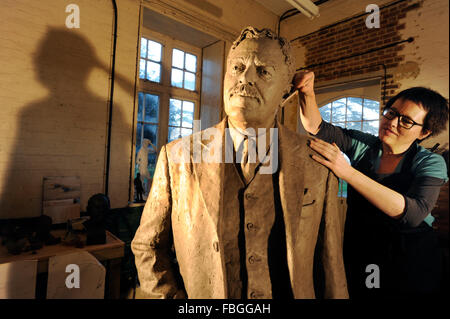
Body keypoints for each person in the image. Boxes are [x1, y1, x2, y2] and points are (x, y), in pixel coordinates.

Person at [131, 27, 348, 299]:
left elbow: (330, 261)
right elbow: (148, 246)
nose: (245, 78)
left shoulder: (317, 162)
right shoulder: (177, 157)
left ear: (285, 92)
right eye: (237, 67)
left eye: (263, 71)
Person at [294, 71, 449, 298]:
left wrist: (347, 172)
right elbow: (318, 128)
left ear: (424, 132)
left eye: (406, 121)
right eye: (391, 113)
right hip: (363, 246)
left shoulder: (429, 161)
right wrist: (307, 93)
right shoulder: (365, 145)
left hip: (408, 255)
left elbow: (413, 213)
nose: (392, 123)